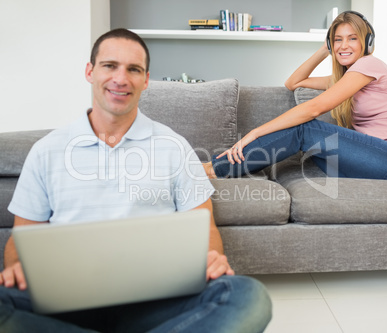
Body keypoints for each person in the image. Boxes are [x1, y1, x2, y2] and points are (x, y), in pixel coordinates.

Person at [0, 29, 271, 332]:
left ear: (145, 79)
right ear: (90, 72)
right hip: (67, 303)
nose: (121, 78)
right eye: (110, 66)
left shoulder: (174, 146)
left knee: (248, 296)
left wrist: (212, 259)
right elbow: (20, 240)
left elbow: (205, 228)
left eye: (133, 69)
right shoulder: (47, 150)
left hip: (158, 301)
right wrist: (17, 266)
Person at [204, 11, 387, 180]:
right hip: (374, 158)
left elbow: (314, 109)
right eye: (338, 39)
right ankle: (221, 166)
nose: (344, 46)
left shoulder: (369, 65)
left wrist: (255, 132)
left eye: (352, 38)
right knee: (306, 139)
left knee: (304, 129)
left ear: (367, 42)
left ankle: (215, 169)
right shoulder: (343, 78)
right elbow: (293, 82)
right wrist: (325, 48)